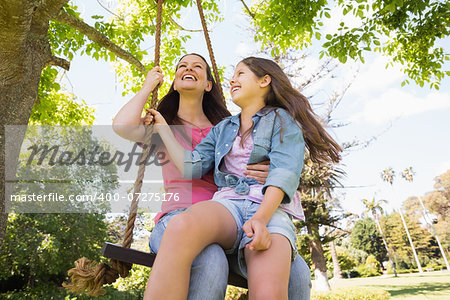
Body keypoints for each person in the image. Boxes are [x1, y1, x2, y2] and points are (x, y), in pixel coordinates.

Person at [113, 54, 312, 299]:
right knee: (211, 258)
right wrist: (149, 89)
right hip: (197, 213)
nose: (189, 69)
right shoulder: (173, 126)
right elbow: (123, 126)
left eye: (198, 66)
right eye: (182, 66)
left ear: (209, 84)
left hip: (236, 212)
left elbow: (280, 163)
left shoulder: (227, 125)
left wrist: (274, 173)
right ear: (174, 82)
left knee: (299, 271)